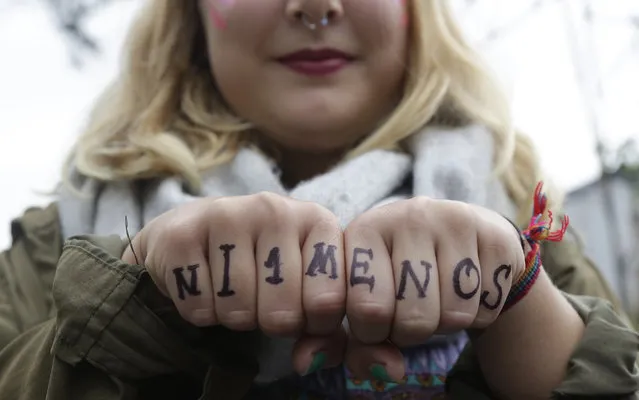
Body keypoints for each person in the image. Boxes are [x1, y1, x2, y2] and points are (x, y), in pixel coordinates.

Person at [0, 0, 637, 399]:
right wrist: (137, 299)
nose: (314, 7)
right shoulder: (55, 249)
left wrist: (516, 299)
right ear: (188, 14)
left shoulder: (530, 222)